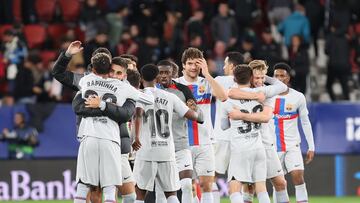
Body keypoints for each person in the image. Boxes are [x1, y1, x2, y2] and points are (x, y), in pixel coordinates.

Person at [73, 52, 153, 203]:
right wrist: (136, 93)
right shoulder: (124, 87)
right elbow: (149, 100)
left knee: (83, 187)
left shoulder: (87, 80)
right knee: (109, 188)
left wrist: (99, 104)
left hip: (89, 137)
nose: (115, 75)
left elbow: (76, 104)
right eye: (113, 71)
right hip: (110, 140)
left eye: (118, 73)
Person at [132, 64, 204, 203]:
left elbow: (138, 115)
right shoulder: (170, 97)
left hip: (146, 150)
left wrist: (136, 137)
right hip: (167, 150)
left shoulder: (139, 96)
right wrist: (197, 112)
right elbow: (193, 116)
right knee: (171, 194)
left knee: (140, 193)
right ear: (157, 77)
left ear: (141, 79)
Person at [228, 60, 289, 203]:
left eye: (263, 78)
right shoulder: (241, 90)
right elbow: (230, 92)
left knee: (281, 183)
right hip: (250, 142)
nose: (261, 81)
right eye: (257, 77)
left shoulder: (267, 91)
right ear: (250, 77)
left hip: (266, 144)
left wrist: (263, 75)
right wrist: (255, 96)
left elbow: (266, 116)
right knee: (250, 188)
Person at [175, 47, 227, 203]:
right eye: (189, 63)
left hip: (205, 142)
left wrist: (208, 74)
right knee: (186, 186)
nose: (193, 67)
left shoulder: (207, 82)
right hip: (182, 143)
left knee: (206, 185)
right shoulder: (175, 85)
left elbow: (223, 97)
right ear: (183, 65)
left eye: (196, 63)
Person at [221, 64, 273, 203]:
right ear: (251, 78)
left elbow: (223, 126)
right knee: (261, 188)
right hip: (258, 147)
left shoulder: (228, 100)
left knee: (234, 187)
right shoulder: (260, 97)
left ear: (234, 79)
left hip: (240, 148)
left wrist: (237, 117)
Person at [155, 59, 201, 203]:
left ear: (173, 74)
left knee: (187, 185)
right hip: (160, 147)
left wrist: (194, 109)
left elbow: (201, 117)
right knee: (161, 190)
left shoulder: (183, 90)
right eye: (160, 73)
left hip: (181, 146)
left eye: (166, 73)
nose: (163, 76)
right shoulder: (150, 91)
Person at [270, 62, 315, 203]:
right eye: (276, 75)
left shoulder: (298, 97)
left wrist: (311, 146)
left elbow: (305, 122)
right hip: (272, 147)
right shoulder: (266, 95)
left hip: (292, 145)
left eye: (282, 75)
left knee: (297, 176)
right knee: (278, 183)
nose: (278, 78)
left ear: (288, 78)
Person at [212, 52, 244, 203]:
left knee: (212, 175)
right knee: (237, 177)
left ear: (232, 66)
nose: (224, 67)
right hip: (240, 137)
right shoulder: (246, 82)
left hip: (221, 136)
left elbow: (211, 92)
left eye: (225, 64)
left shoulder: (220, 80)